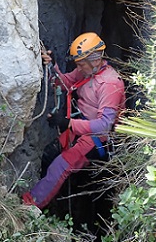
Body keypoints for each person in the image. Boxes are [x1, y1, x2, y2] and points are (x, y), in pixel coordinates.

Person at [22, 32, 126, 209]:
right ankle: (53, 202)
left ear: (94, 60)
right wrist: (52, 66)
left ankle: (30, 206)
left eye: (80, 63)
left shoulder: (110, 84)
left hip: (98, 140)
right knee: (48, 155)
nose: (78, 67)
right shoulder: (87, 72)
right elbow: (64, 83)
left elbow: (103, 126)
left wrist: (67, 123)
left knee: (60, 166)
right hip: (81, 129)